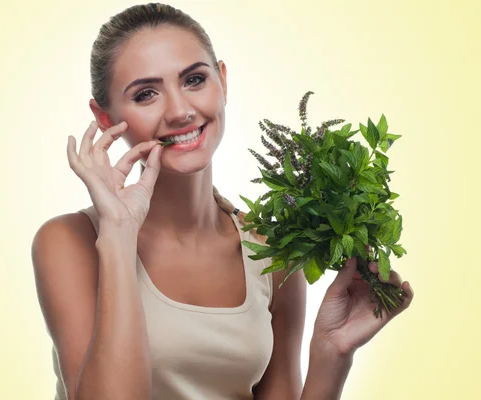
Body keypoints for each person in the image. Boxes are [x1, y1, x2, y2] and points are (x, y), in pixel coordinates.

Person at [31, 3, 414, 400]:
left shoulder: (271, 249)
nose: (180, 111)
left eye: (195, 79)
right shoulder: (69, 242)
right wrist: (118, 234)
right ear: (105, 117)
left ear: (223, 82)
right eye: (146, 94)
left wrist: (332, 352)